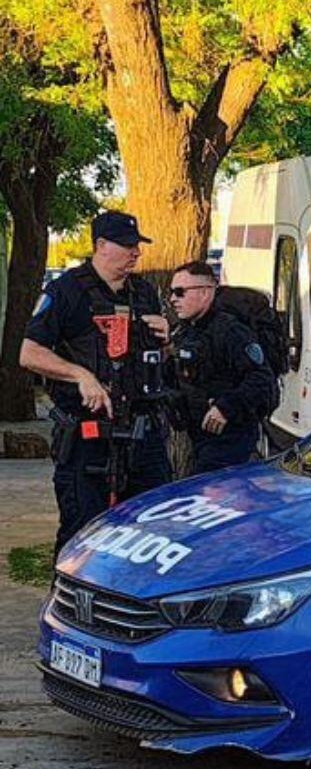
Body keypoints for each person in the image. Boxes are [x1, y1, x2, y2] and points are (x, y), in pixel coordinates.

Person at [19, 212, 174, 549]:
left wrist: (166, 340)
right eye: (127, 245)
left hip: (142, 434)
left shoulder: (144, 292)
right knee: (83, 535)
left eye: (137, 246)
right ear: (101, 245)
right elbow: (29, 353)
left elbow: (157, 359)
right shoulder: (66, 291)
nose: (136, 252)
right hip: (88, 437)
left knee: (152, 533)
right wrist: (80, 375)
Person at [167, 261, 279, 474]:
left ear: (204, 292)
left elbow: (261, 378)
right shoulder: (186, 331)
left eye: (180, 292)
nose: (173, 299)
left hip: (230, 438)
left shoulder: (230, 331)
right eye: (171, 292)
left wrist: (225, 408)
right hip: (200, 436)